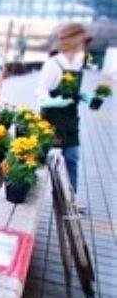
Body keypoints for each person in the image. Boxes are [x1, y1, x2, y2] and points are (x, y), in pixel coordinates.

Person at [36, 23, 94, 192]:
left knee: (72, 160)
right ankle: (32, 193)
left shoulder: (78, 63)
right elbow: (41, 92)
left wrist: (87, 98)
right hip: (51, 121)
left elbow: (75, 91)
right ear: (74, 40)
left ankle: (70, 200)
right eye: (83, 41)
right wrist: (56, 101)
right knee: (42, 162)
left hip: (71, 120)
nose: (84, 46)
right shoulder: (53, 64)